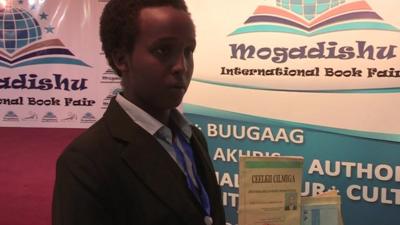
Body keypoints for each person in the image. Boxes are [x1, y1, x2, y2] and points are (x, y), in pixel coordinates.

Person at [51, 0, 226, 225]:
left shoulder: (193, 138)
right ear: (121, 59)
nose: (181, 66)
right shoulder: (85, 162)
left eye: (188, 51)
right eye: (163, 50)